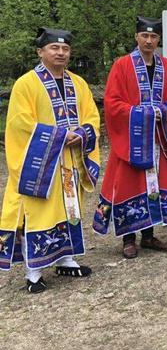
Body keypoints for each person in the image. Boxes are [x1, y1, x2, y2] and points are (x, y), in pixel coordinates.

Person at [0, 28, 100, 293]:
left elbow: (91, 116)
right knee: (37, 213)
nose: (61, 53)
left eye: (65, 49)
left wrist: (82, 133)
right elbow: (20, 124)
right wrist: (60, 135)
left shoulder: (78, 83)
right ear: (40, 52)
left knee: (69, 210)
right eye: (54, 48)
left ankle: (66, 258)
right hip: (41, 164)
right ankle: (33, 271)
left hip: (71, 161)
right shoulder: (26, 84)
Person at [94, 17, 167, 259]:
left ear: (158, 39)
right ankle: (128, 238)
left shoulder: (166, 66)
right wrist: (141, 113)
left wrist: (164, 110)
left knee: (153, 185)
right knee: (129, 185)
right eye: (144, 36)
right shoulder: (122, 65)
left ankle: (148, 235)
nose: (149, 41)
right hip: (132, 139)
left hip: (157, 138)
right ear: (136, 37)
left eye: (153, 36)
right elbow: (112, 103)